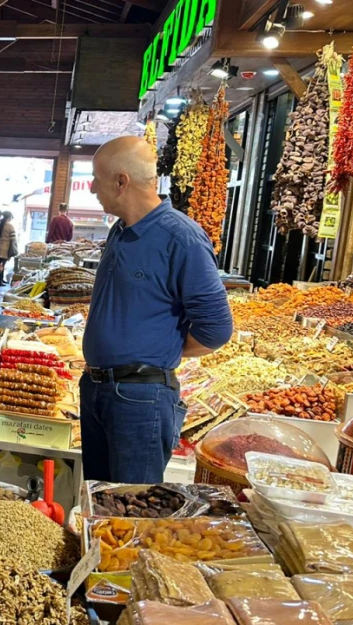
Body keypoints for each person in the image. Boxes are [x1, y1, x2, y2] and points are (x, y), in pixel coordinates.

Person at [81, 136, 232, 484]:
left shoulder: (181, 239)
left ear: (121, 182)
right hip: (98, 389)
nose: (91, 188)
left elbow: (216, 329)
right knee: (100, 502)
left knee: (132, 512)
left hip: (140, 400)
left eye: (96, 178)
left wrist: (158, 354)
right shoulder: (121, 231)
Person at [0, 212, 18, 287]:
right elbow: (13, 239)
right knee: (2, 265)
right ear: (9, 217)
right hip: (6, 248)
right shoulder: (10, 226)